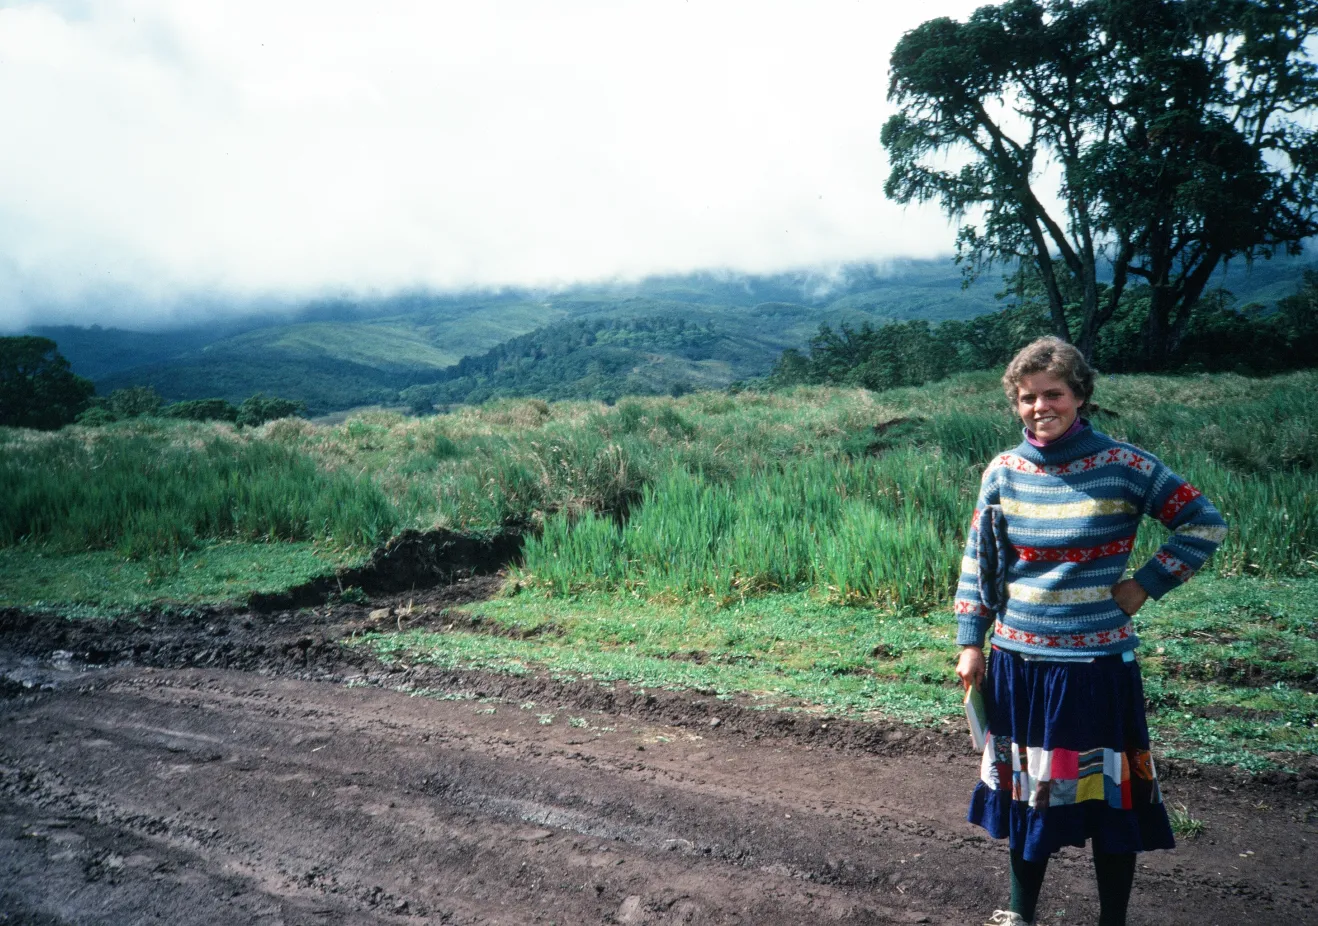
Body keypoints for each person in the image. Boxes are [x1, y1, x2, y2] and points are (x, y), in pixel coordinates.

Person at [954, 337, 1227, 926]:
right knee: (1029, 795)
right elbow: (980, 561)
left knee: (1110, 798)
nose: (1040, 407)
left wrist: (1145, 585)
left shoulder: (1126, 465)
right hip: (1018, 663)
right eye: (1028, 398)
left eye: (1053, 394)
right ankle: (1021, 916)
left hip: (1096, 669)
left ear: (1080, 395)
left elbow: (1203, 523)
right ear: (1015, 403)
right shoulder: (1003, 471)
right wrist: (971, 641)